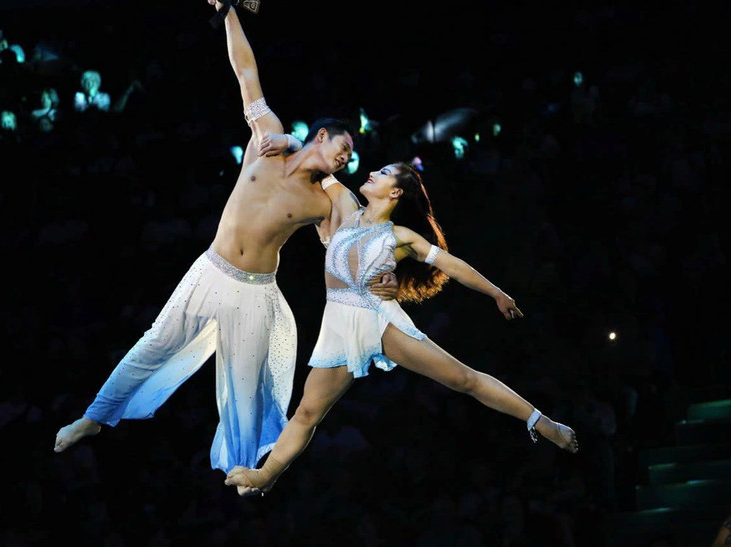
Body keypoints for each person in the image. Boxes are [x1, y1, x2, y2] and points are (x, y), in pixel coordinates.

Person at [53, 1, 398, 494]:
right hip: (210, 271)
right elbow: (245, 70)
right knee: (155, 344)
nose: (344, 160)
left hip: (255, 292)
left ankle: (252, 474)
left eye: (348, 159)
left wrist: (381, 276)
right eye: (341, 149)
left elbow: (346, 250)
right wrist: (230, 9)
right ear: (320, 136)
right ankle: (95, 417)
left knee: (244, 389)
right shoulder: (268, 139)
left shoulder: (324, 200)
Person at [224, 159, 579, 495]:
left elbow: (453, 266)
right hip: (337, 327)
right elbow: (316, 161)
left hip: (379, 320)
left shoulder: (401, 236)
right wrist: (280, 138)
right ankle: (265, 475)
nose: (374, 172)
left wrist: (496, 293)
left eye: (385, 172)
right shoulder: (345, 210)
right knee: (306, 413)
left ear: (396, 192)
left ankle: (543, 422)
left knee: (463, 379)